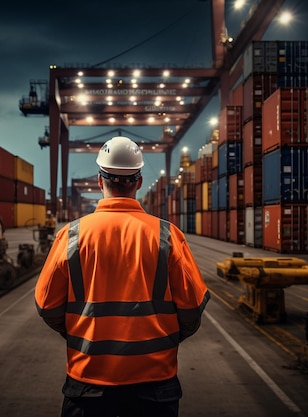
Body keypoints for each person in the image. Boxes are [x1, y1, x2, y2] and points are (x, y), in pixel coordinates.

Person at [35, 136, 210, 417]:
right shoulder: (168, 236)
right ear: (139, 183)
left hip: (88, 381)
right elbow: (191, 311)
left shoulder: (71, 236)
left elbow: (47, 306)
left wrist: (81, 334)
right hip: (155, 383)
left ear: (99, 181)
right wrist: (162, 341)